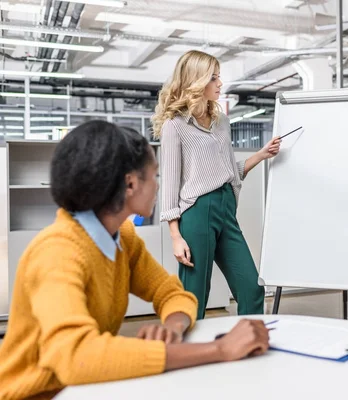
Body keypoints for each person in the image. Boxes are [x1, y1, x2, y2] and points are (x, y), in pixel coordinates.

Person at [0, 121, 270, 400]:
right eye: (154, 176)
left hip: (84, 389)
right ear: (130, 183)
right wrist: (220, 350)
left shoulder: (122, 237)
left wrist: (172, 328)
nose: (158, 185)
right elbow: (77, 357)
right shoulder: (57, 252)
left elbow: (172, 293)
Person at [152, 50, 281, 320]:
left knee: (251, 288)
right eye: (213, 78)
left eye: (219, 77)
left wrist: (261, 155)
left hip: (226, 207)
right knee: (194, 295)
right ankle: (189, 355)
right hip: (197, 212)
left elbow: (228, 171)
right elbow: (171, 183)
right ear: (196, 81)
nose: (219, 84)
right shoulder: (175, 126)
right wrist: (176, 236)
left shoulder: (222, 121)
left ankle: (250, 345)